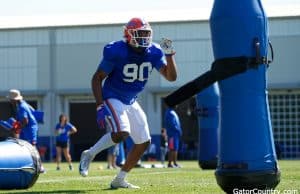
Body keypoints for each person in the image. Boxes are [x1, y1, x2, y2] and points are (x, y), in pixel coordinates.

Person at [79, 17, 178, 189]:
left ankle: (120, 179)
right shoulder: (117, 51)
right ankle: (90, 153)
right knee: (122, 132)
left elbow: (171, 77)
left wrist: (169, 55)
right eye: (140, 33)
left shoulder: (154, 51)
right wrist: (100, 105)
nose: (144, 38)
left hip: (131, 100)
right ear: (129, 34)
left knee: (144, 141)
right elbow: (97, 77)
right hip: (113, 96)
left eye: (146, 34)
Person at [7, 89, 46, 173]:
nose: (10, 101)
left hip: (30, 128)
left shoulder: (22, 107)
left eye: (10, 99)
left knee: (32, 146)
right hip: (26, 128)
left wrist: (17, 127)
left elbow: (25, 120)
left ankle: (40, 167)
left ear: (14, 99)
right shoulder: (22, 104)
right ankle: (27, 164)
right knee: (23, 146)